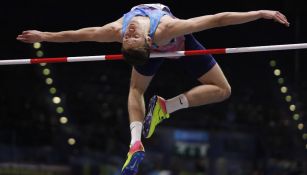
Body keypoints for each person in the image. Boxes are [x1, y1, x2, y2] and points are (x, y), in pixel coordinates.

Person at [17, 3, 290, 175]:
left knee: (222, 89)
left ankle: (164, 107)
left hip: (177, 44)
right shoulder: (158, 31)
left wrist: (259, 13)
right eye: (130, 36)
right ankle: (135, 144)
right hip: (170, 45)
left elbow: (218, 19)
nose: (128, 32)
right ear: (147, 42)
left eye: (128, 37)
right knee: (135, 90)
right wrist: (44, 37)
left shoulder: (122, 30)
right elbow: (79, 35)